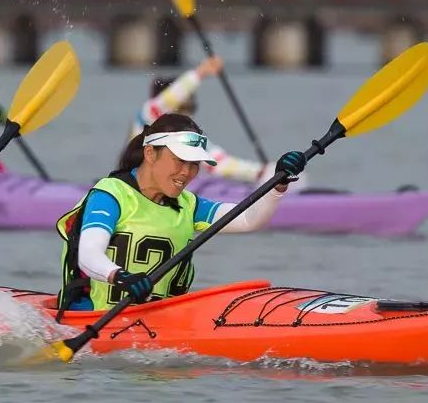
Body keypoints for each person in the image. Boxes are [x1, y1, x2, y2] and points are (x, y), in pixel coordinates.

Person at [58, 113, 307, 313]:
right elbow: (88, 255)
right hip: (93, 318)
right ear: (150, 153)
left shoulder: (189, 205)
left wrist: (278, 184)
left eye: (194, 164)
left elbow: (248, 220)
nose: (187, 173)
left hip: (159, 321)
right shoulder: (110, 195)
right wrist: (121, 277)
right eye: (180, 160)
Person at [128, 55, 268, 183]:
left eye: (190, 107)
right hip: (136, 188)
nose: (186, 114)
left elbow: (219, 163)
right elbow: (168, 99)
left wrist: (261, 172)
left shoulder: (189, 137)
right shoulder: (147, 117)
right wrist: (201, 71)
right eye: (181, 107)